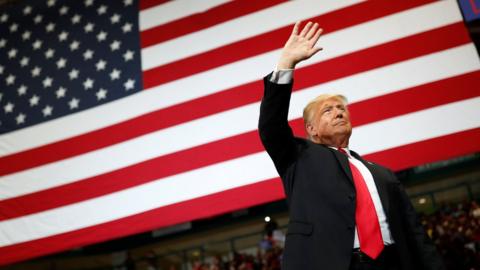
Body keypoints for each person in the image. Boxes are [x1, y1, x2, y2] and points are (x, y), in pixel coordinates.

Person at [258, 21, 445, 270]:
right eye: (328, 110)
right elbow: (271, 127)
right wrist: (285, 65)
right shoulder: (299, 157)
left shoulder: (383, 174)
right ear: (311, 130)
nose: (338, 112)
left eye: (341, 108)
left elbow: (415, 234)